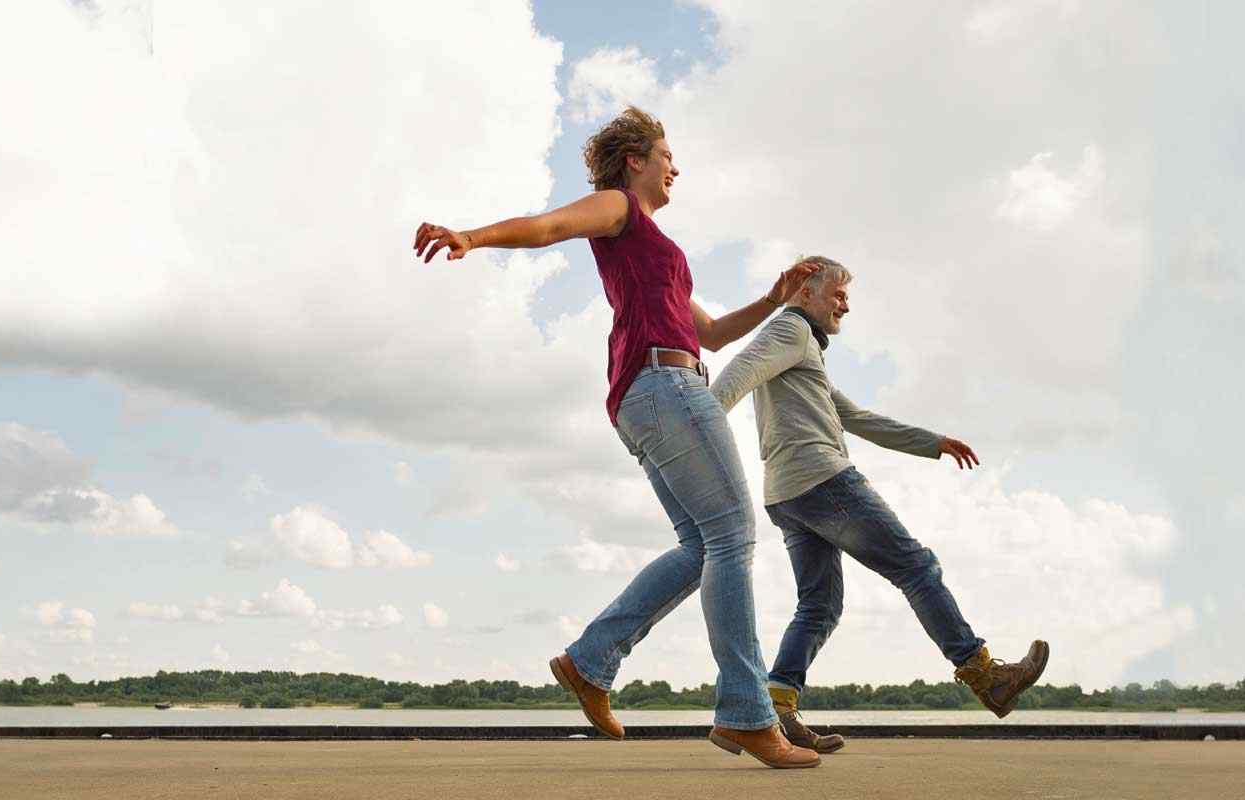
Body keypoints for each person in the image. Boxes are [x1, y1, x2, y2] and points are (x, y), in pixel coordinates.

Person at [412, 106, 822, 769]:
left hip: (653, 389)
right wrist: (471, 236)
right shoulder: (619, 209)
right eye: (667, 155)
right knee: (733, 536)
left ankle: (590, 661)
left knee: (702, 545)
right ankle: (747, 714)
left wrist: (776, 298)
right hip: (665, 386)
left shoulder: (656, 253)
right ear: (636, 161)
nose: (675, 167)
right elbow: (548, 227)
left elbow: (711, 334)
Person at [709, 255, 1052, 753]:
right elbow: (736, 374)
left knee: (820, 605)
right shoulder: (790, 330)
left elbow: (856, 417)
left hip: (786, 494)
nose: (846, 305)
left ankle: (776, 708)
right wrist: (701, 430)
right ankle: (984, 673)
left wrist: (930, 441)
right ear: (805, 292)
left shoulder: (805, 353)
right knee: (916, 568)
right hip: (824, 481)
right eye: (839, 294)